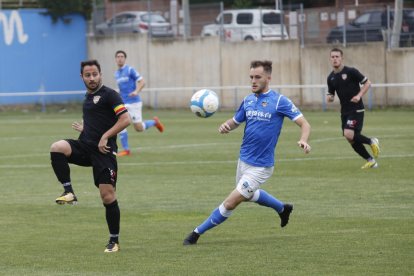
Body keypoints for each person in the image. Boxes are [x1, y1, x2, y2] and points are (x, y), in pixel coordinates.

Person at [183, 60, 312, 245]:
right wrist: (227, 125)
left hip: (261, 166)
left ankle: (195, 234)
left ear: (268, 78)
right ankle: (283, 209)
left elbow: (304, 123)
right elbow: (236, 121)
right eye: (251, 77)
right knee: (249, 195)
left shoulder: (279, 102)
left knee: (230, 202)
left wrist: (304, 140)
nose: (253, 81)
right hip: (243, 161)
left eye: (257, 77)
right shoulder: (248, 100)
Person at [50, 60, 131, 253]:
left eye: (95, 74)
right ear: (82, 77)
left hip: (104, 152)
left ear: (100, 74)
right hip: (85, 147)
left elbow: (126, 119)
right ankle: (69, 192)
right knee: (57, 147)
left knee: (107, 196)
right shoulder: (87, 97)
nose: (92, 78)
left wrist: (105, 136)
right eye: (88, 75)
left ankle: (114, 241)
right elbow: (99, 121)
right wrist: (87, 129)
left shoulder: (110, 95)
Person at [326, 48, 380, 169]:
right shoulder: (331, 78)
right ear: (330, 59)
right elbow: (331, 94)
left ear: (341, 58)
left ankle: (372, 141)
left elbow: (368, 83)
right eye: (332, 57)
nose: (335, 59)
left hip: (356, 108)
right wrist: (329, 98)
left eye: (337, 57)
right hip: (344, 111)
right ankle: (371, 161)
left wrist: (359, 96)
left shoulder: (351, 71)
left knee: (348, 133)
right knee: (350, 139)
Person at [114, 50, 164, 156]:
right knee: (119, 123)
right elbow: (122, 88)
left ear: (125, 58)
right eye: (118, 56)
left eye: (122, 56)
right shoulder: (116, 74)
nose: (120, 58)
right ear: (115, 59)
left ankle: (154, 122)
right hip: (124, 103)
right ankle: (126, 150)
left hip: (134, 103)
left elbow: (142, 81)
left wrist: (136, 91)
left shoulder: (130, 70)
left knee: (139, 128)